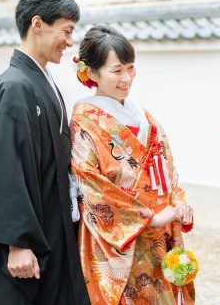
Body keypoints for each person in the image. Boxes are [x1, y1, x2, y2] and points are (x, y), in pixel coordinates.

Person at [0, 0, 90, 305]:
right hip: (28, 245)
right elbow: (7, 167)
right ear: (38, 24)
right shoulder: (16, 86)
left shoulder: (40, 80)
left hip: (52, 229)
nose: (69, 41)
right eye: (66, 30)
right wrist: (16, 243)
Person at [70, 25, 195, 305]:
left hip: (160, 236)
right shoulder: (85, 118)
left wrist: (178, 202)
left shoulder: (144, 116)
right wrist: (149, 218)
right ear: (91, 73)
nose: (126, 78)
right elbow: (89, 183)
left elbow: (168, 170)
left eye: (130, 68)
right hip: (119, 238)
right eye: (116, 71)